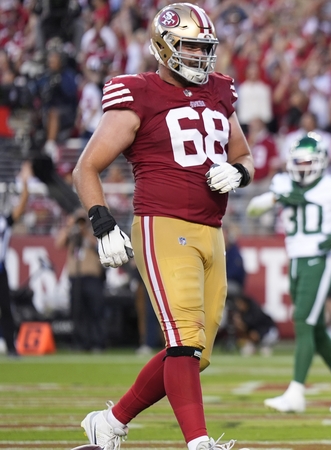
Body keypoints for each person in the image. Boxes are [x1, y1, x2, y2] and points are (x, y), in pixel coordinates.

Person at [72, 4, 254, 449]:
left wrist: (240, 173)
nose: (198, 56)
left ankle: (111, 422)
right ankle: (199, 443)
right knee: (185, 341)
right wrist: (102, 224)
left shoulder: (219, 91)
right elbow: (86, 168)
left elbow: (244, 155)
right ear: (163, 45)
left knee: (196, 353)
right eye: (189, 46)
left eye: (203, 48)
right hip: (163, 225)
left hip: (212, 231)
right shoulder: (139, 93)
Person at [246, 133, 331, 414]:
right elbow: (253, 210)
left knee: (302, 320)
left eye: (308, 162)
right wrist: (275, 197)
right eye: (298, 162)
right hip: (295, 259)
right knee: (313, 326)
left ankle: (295, 392)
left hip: (319, 258)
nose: (302, 168)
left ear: (322, 162)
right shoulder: (282, 183)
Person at [54, 211, 107, 352]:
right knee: (78, 312)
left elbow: (99, 246)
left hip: (92, 278)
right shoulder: (72, 234)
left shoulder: (94, 233)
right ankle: (81, 343)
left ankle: (98, 343)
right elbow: (58, 244)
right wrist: (69, 227)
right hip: (75, 278)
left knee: (95, 311)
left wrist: (85, 233)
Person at [0, 162, 31, 358]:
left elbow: (20, 209)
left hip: (0, 270)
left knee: (6, 308)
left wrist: (26, 184)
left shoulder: (4, 221)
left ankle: (11, 347)